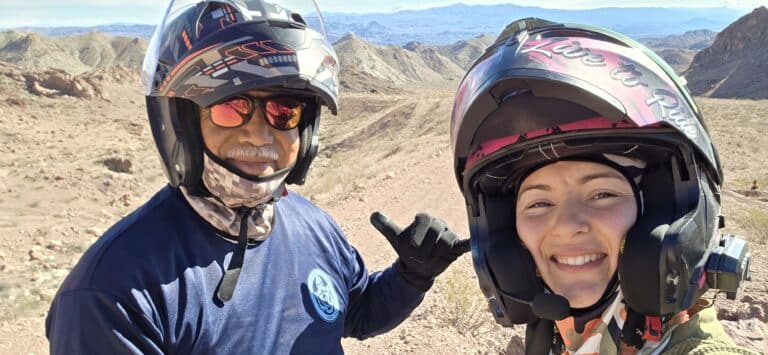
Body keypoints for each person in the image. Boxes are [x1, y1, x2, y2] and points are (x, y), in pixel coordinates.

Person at [45, 1, 469, 353]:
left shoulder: (312, 227)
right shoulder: (114, 290)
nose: (260, 135)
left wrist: (411, 276)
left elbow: (354, 313)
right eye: (230, 107)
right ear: (184, 123)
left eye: (285, 111)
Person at [448, 18, 754, 354]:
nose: (566, 226)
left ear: (667, 216)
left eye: (602, 195)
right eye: (538, 203)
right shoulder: (563, 339)